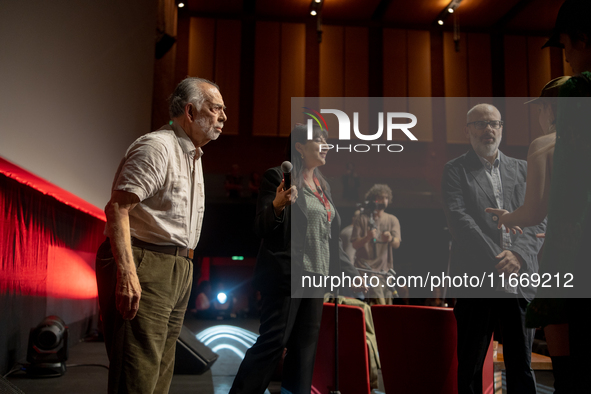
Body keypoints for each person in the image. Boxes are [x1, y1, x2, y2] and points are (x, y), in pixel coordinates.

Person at [95, 77, 226, 393]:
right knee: (136, 375)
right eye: (216, 109)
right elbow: (117, 209)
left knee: (160, 376)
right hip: (146, 261)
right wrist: (127, 274)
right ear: (191, 112)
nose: (223, 118)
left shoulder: (192, 154)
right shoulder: (158, 147)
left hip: (178, 267)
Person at [229, 124, 363, 394]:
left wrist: (350, 271)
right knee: (274, 343)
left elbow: (331, 239)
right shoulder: (276, 177)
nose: (325, 145)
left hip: (318, 278)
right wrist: (277, 205)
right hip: (287, 277)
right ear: (299, 146)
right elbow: (261, 227)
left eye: (327, 140)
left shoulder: (323, 186)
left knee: (304, 351)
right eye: (318, 140)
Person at [441, 103, 545, 394]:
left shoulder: (523, 169)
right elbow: (461, 222)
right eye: (480, 124)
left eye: (494, 124)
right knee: (471, 368)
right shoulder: (455, 170)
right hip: (478, 279)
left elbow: (539, 217)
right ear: (467, 131)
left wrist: (519, 257)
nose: (488, 129)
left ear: (501, 128)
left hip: (520, 278)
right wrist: (501, 260)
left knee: (521, 367)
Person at [484, 76, 572, 392]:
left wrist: (508, 218)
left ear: (549, 109)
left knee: (568, 366)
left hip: (566, 260)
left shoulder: (545, 144)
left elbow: (534, 213)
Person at [351, 184, 401, 305]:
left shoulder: (392, 219)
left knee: (388, 306)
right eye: (380, 198)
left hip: (385, 272)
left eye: (386, 198)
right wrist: (367, 238)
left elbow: (397, 243)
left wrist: (390, 238)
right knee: (378, 304)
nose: (384, 201)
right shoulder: (361, 219)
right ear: (373, 199)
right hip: (367, 272)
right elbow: (355, 244)